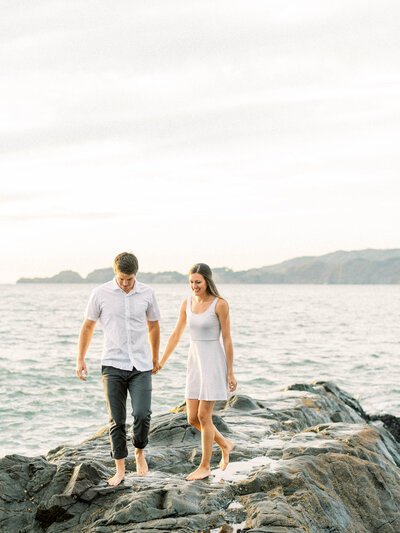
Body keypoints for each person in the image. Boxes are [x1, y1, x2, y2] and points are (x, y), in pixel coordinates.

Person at [76, 252, 161, 486]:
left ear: (136, 275)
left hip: (141, 364)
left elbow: (153, 326)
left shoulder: (147, 293)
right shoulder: (100, 294)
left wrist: (155, 357)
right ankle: (120, 470)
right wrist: (80, 359)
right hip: (112, 363)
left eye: (130, 279)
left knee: (143, 414)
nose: (125, 283)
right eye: (122, 278)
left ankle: (140, 451)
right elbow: (88, 326)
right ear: (116, 272)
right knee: (117, 419)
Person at [159, 263, 237, 481]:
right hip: (194, 361)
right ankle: (225, 444)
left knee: (204, 416)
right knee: (192, 417)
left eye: (198, 282)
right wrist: (162, 360)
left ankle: (205, 466)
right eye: (191, 282)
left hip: (213, 360)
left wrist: (231, 372)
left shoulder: (220, 304)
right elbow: (176, 334)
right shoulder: (187, 302)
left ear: (208, 281)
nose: (194, 286)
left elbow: (227, 339)